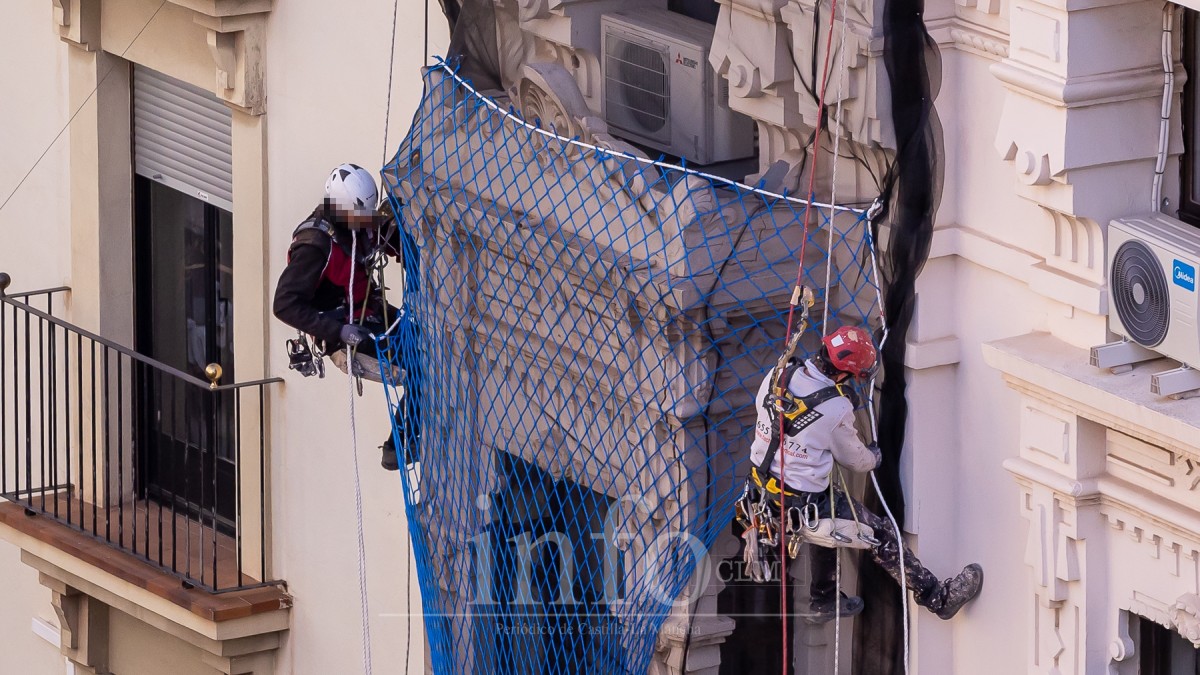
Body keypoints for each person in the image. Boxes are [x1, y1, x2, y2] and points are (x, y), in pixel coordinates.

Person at [745, 325, 983, 623]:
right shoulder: (834, 407)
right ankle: (938, 598)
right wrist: (875, 455)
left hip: (763, 491)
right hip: (803, 501)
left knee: (830, 525)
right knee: (880, 534)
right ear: (844, 374)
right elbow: (857, 461)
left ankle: (824, 598)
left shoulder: (778, 375)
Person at [272, 163, 419, 471]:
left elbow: (382, 234)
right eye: (361, 217)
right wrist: (337, 332)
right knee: (423, 368)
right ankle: (399, 447)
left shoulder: (356, 221)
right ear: (340, 209)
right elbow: (284, 304)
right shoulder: (315, 246)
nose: (367, 222)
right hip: (346, 338)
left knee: (432, 345)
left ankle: (408, 436)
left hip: (370, 313)